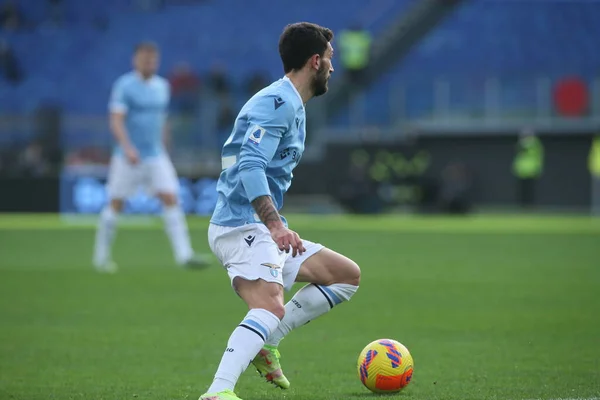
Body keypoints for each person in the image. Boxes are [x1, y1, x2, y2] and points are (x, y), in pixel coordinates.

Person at [199, 22, 361, 400]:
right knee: (271, 304)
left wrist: (274, 224)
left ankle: (266, 342)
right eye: (331, 60)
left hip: (258, 224)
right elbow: (249, 166)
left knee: (344, 276)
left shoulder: (292, 104)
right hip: (240, 226)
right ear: (315, 61)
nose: (334, 69)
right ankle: (217, 392)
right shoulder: (278, 104)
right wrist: (274, 225)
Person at [93, 42, 209, 273]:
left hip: (155, 155)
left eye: (153, 59)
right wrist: (127, 148)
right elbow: (116, 119)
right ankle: (101, 257)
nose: (150, 63)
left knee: (171, 197)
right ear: (135, 60)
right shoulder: (124, 86)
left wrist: (166, 146)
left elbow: (161, 121)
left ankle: (184, 255)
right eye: (145, 59)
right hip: (128, 156)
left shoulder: (162, 87)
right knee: (116, 203)